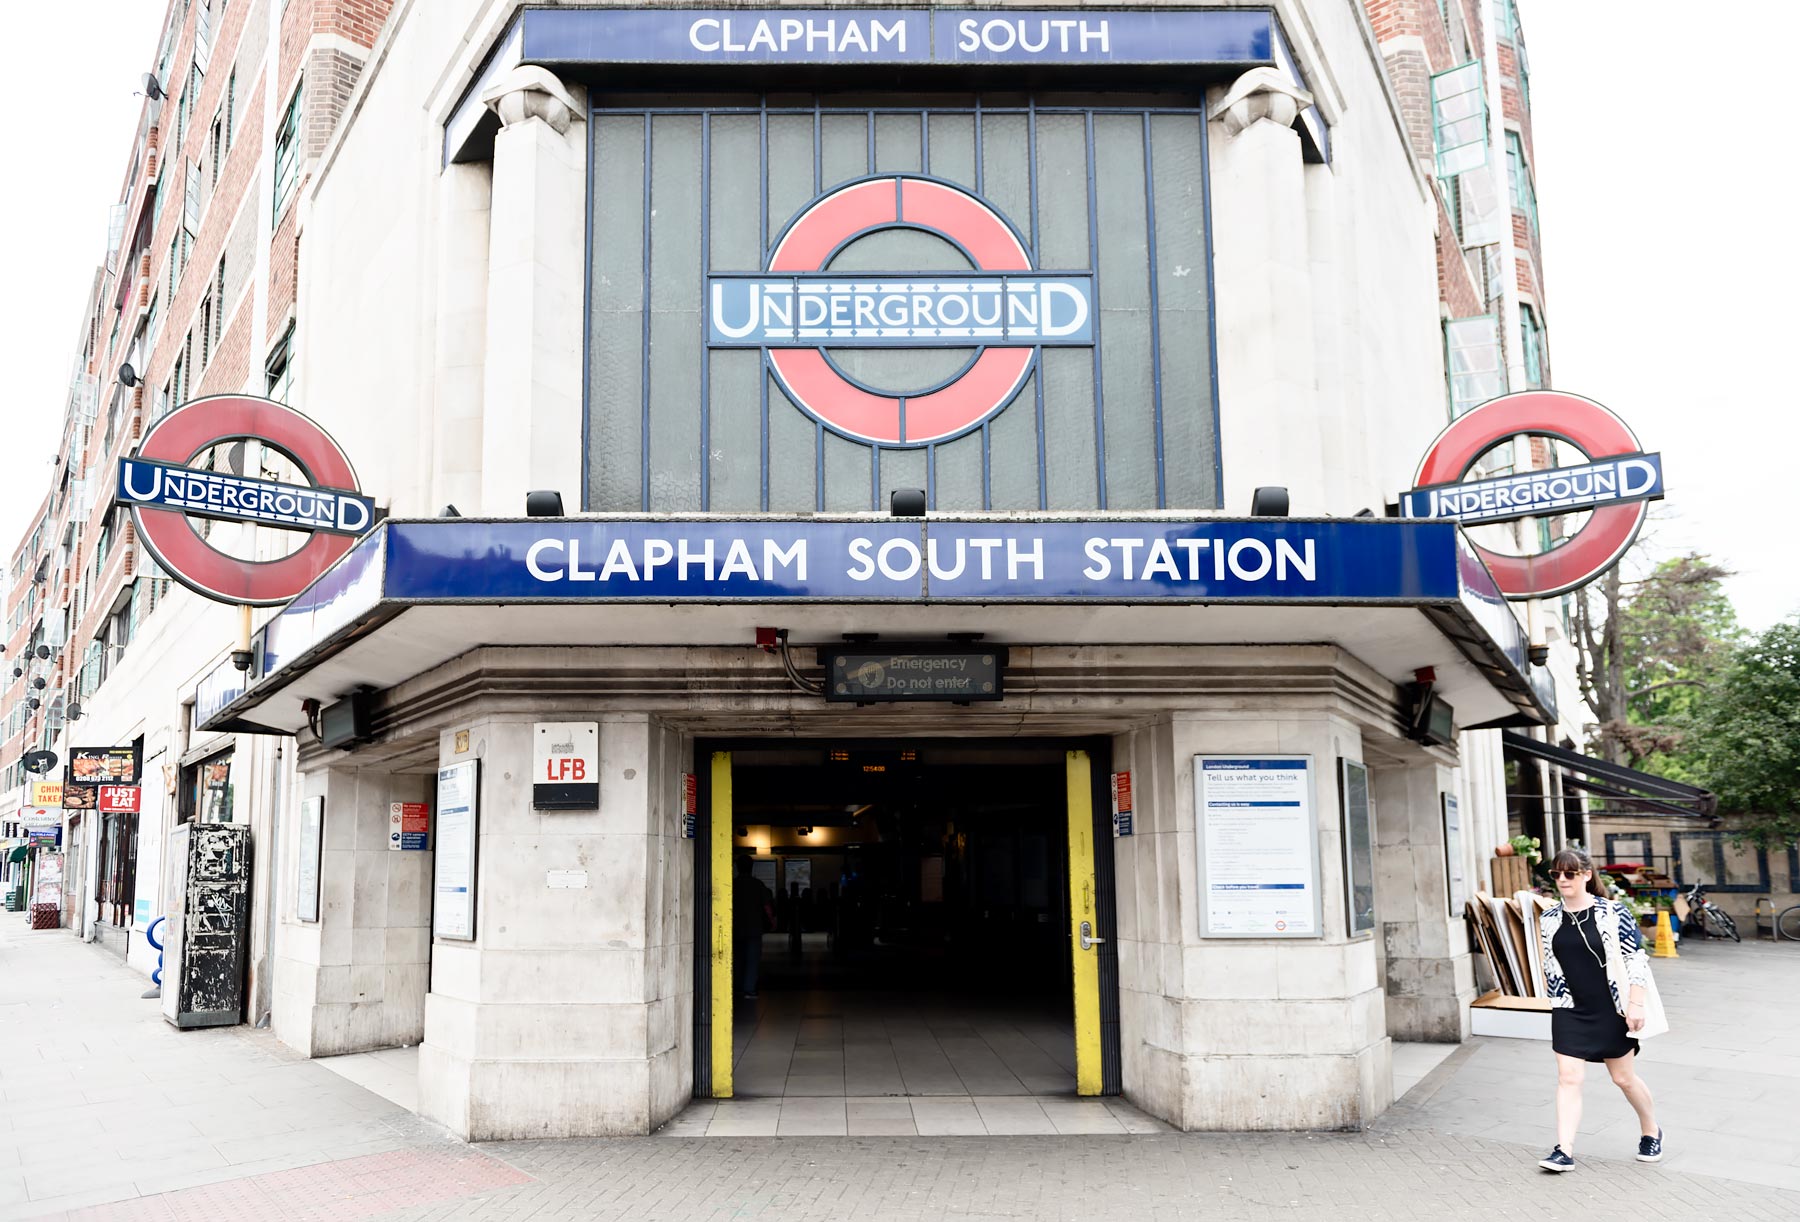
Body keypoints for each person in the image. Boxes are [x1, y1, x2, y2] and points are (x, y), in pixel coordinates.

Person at [1536, 846, 1663, 1172]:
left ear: (1587, 875)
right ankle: (1563, 1150)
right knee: (1568, 1077)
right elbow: (1552, 966)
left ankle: (1651, 1130)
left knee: (1623, 1077)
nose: (1562, 879)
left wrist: (1635, 1005)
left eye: (1570, 873)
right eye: (1556, 874)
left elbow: (1636, 960)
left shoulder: (1613, 912)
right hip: (1569, 1008)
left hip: (1611, 1009)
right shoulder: (1548, 918)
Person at [734, 856, 774, 1000]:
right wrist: (772, 921)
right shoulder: (758, 885)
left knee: (737, 959)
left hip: (735, 928)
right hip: (754, 928)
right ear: (752, 867)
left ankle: (737, 987)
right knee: (752, 960)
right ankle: (749, 990)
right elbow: (767, 907)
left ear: (737, 867)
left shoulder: (732, 884)